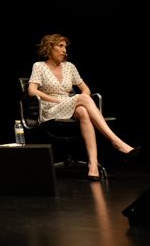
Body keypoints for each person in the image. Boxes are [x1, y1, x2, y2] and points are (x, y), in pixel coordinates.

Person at [28, 33, 137, 181]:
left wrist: (77, 98)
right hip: (50, 107)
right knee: (83, 100)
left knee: (83, 110)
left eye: (65, 47)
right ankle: (116, 141)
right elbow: (32, 91)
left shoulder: (69, 67)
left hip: (69, 104)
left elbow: (86, 89)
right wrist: (55, 100)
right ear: (49, 47)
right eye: (60, 46)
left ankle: (92, 166)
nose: (64, 50)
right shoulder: (39, 66)